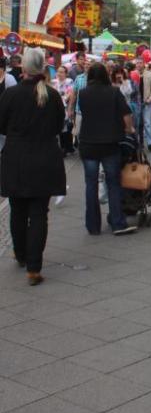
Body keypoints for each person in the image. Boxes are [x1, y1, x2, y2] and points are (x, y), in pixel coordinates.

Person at [0, 47, 66, 285]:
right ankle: (34, 268)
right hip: (45, 158)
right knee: (39, 214)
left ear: (23, 68)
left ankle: (20, 253)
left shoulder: (11, 94)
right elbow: (60, 126)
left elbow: (2, 125)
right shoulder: (52, 95)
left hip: (16, 158)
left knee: (17, 210)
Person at [78, 62, 137, 236]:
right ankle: (117, 222)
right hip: (110, 144)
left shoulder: (83, 94)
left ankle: (93, 226)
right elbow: (126, 115)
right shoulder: (114, 92)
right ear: (105, 75)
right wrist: (129, 129)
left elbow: (83, 114)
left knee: (91, 184)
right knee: (113, 184)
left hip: (88, 144)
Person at [52, 65, 75, 156]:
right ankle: (65, 147)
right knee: (61, 128)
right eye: (58, 72)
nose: (59, 74)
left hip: (66, 107)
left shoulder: (69, 82)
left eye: (62, 72)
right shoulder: (54, 82)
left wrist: (63, 98)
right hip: (55, 107)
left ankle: (66, 148)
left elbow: (70, 93)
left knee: (66, 128)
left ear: (66, 74)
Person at [138, 59, 151, 151]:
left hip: (146, 102)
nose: (138, 65)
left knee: (147, 123)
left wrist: (150, 98)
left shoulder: (150, 74)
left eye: (140, 63)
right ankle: (139, 142)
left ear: (144, 64)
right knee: (138, 123)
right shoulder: (133, 74)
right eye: (137, 63)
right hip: (136, 103)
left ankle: (150, 142)